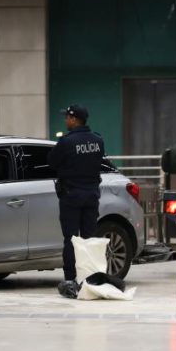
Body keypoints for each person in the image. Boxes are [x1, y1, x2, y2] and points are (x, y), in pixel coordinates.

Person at [47, 104, 106, 298]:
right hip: (91, 196)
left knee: (71, 240)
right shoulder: (98, 140)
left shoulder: (66, 142)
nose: (65, 120)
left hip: (71, 196)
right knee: (89, 239)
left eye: (67, 117)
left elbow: (52, 162)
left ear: (74, 119)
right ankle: (90, 279)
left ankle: (71, 280)